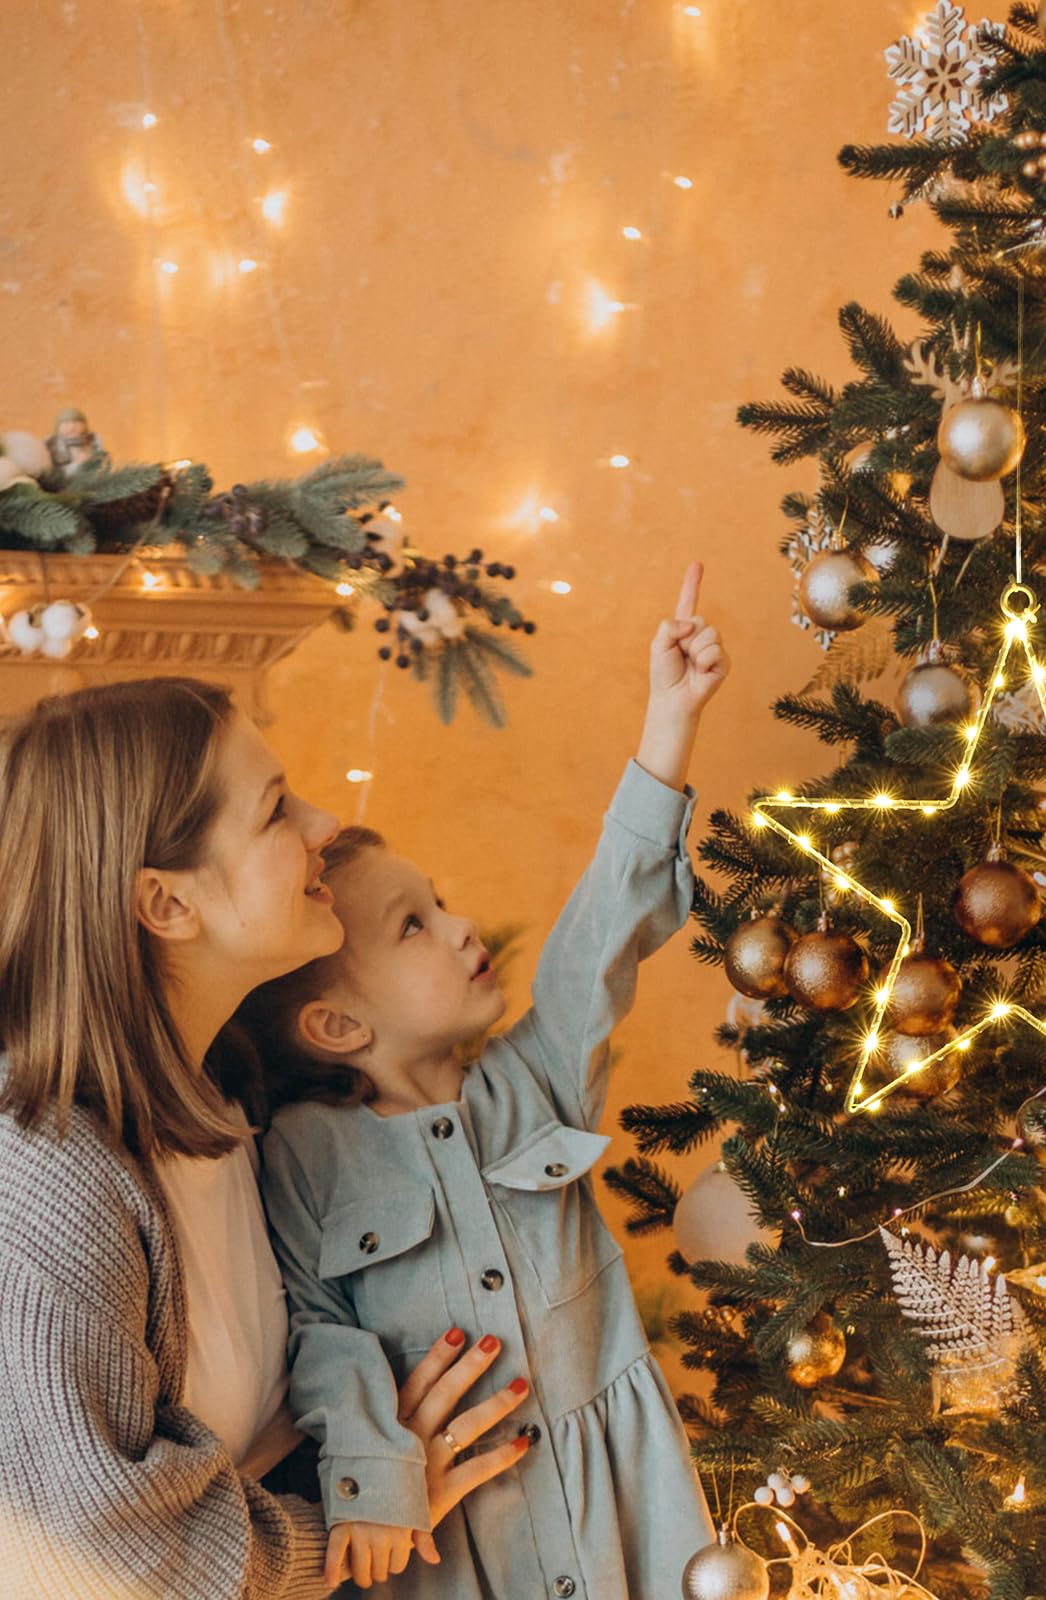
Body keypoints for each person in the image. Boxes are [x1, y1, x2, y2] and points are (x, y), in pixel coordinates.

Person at [246, 563, 727, 1598]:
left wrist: (667, 725)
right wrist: (372, 1469)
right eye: (413, 924)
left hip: (622, 1517)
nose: (462, 926)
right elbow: (314, 1329)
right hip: (452, 1541)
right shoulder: (301, 1155)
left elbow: (601, 935)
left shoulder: (533, 1083)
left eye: (443, 901)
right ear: (336, 1024)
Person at [0, 676, 531, 1598]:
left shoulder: (237, 1088)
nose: (326, 823)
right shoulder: (47, 1179)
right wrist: (345, 1528)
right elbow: (101, 1552)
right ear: (166, 906)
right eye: (277, 811)